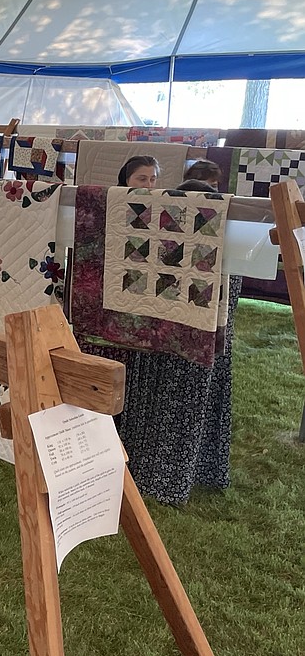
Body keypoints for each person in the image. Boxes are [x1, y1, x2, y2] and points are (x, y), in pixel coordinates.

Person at [87, 157, 238, 505]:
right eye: (143, 178)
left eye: (154, 178)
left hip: (160, 337)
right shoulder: (128, 213)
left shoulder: (171, 220)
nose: (150, 184)